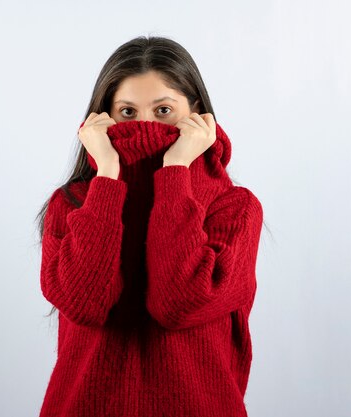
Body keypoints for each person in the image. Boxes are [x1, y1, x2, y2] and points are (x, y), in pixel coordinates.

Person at [35, 35, 264, 417]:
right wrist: (108, 176)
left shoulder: (233, 209)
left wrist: (175, 172)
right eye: (127, 112)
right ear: (102, 118)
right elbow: (85, 304)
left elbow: (178, 304)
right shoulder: (72, 204)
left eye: (162, 111)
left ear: (196, 113)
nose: (143, 125)